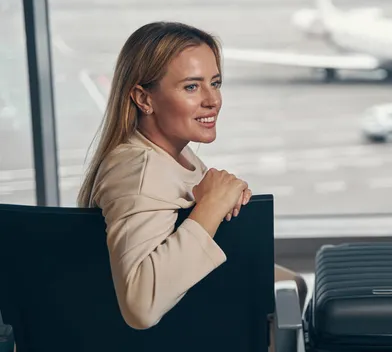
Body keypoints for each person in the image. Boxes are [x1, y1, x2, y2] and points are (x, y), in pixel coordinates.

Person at [77, 21, 307, 332]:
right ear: (144, 99)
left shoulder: (172, 154)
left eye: (215, 83)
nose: (213, 100)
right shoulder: (140, 171)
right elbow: (140, 306)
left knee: (294, 284)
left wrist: (224, 205)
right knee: (291, 292)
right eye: (191, 86)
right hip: (177, 336)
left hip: (193, 322)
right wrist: (210, 207)